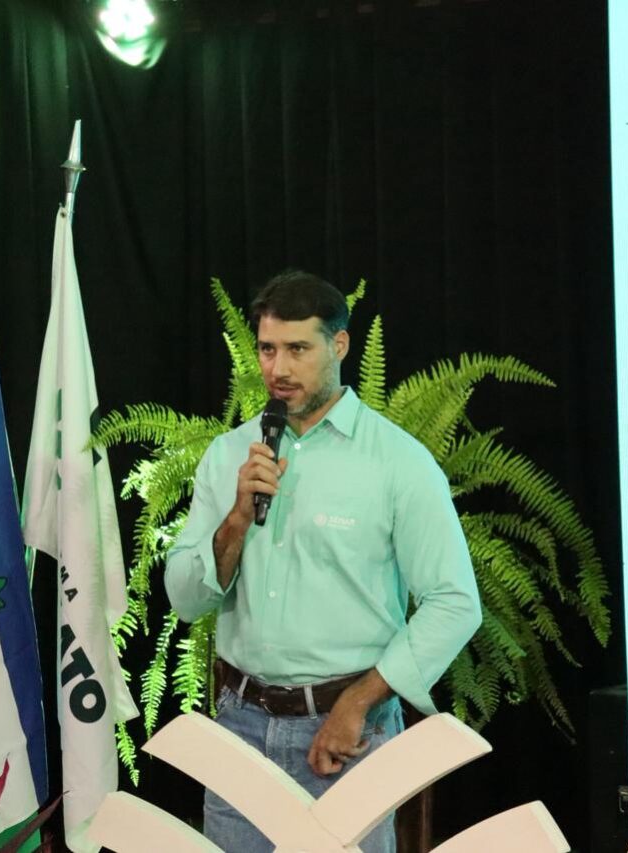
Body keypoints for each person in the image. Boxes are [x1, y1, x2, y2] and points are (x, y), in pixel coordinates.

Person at [164, 270, 482, 852]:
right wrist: (235, 519)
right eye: (267, 349)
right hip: (239, 728)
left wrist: (359, 702)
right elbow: (186, 600)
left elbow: (455, 602)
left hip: (347, 734)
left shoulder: (398, 463)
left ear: (339, 345)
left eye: (297, 349)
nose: (278, 369)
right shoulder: (230, 454)